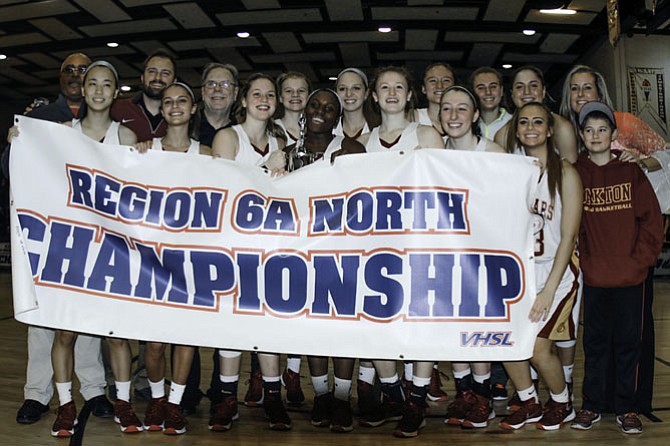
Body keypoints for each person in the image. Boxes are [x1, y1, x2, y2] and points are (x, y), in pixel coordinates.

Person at [4, 53, 115, 426]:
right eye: (70, 70)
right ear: (63, 78)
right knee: (43, 319)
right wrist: (14, 143)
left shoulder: (109, 127)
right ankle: (37, 394)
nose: (77, 75)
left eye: (84, 70)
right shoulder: (38, 118)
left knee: (86, 317)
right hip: (49, 232)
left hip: (92, 235)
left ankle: (94, 388)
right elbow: (9, 168)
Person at [559, 65, 668, 414]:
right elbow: (575, 226)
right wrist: (586, 262)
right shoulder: (576, 170)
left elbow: (651, 221)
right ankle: (593, 405)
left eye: (602, 129)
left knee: (629, 343)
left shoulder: (630, 169)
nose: (595, 134)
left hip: (631, 275)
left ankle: (628, 408)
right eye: (589, 130)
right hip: (595, 275)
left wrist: (641, 262)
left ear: (612, 133)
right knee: (594, 343)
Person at [47, 60, 141, 437]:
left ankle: (123, 401)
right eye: (92, 84)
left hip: (113, 248)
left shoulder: (127, 138)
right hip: (71, 245)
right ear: (83, 90)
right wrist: (19, 141)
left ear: (115, 92)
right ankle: (66, 404)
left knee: (116, 334)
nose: (99, 90)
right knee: (65, 333)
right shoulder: (61, 133)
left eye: (106, 85)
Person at [357, 66, 443, 438]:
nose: (391, 92)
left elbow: (449, 189)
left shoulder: (426, 134)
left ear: (411, 95)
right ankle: (393, 391)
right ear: (374, 96)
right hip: (377, 250)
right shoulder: (362, 144)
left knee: (422, 327)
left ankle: (417, 401)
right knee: (377, 326)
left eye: (399, 87)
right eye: (384, 87)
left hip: (422, 245)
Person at [281, 88, 365, 433]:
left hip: (342, 251)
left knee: (342, 329)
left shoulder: (351, 150)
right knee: (312, 329)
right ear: (305, 111)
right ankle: (321, 396)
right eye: (315, 105)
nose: (321, 112)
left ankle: (342, 398)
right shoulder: (285, 154)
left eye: (330, 109)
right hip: (300, 252)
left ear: (338, 116)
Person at [210, 73, 291, 431]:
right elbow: (224, 188)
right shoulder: (228, 137)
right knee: (232, 325)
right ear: (243, 100)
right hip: (234, 244)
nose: (263, 98)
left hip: (272, 245)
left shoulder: (282, 138)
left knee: (269, 325)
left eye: (269, 94)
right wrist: (266, 167)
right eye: (256, 93)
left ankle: (273, 397)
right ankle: (227, 398)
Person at [498, 102, 582, 432]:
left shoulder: (567, 172)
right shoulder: (513, 173)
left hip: (556, 272)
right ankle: (529, 402)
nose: (530, 127)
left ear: (549, 130)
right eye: (523, 122)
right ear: (516, 130)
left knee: (537, 347)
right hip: (521, 271)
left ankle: (562, 404)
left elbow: (569, 236)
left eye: (538, 122)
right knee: (505, 339)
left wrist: (548, 290)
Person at [141, 82, 204, 436]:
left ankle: (176, 404)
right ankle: (156, 397)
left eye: (182, 100)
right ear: (162, 109)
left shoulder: (207, 153)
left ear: (193, 108)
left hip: (193, 257)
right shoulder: (145, 151)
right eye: (168, 102)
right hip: (153, 256)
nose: (175, 106)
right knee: (154, 340)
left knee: (184, 336)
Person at [494, 66, 578, 163]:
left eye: (533, 85)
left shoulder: (562, 127)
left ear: (543, 91)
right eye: (520, 87)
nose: (527, 92)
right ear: (512, 94)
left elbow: (571, 171)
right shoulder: (503, 135)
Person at [111, 49, 176, 142]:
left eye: (165, 73)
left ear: (174, 81)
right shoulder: (117, 109)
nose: (158, 77)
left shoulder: (180, 115)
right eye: (152, 71)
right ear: (142, 77)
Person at [192, 62, 239, 148]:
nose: (217, 89)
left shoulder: (243, 135)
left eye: (225, 84)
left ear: (235, 93)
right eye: (211, 84)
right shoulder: (187, 128)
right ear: (203, 92)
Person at [334, 67, 380, 139]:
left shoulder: (380, 128)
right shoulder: (328, 128)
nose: (349, 94)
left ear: (366, 93)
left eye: (356, 88)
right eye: (342, 89)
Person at [469, 66, 512, 141]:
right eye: (481, 88)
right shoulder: (466, 122)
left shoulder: (513, 122)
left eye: (493, 87)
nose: (488, 92)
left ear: (501, 91)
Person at [413, 63, 455, 135]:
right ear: (424, 89)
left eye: (446, 80)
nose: (439, 86)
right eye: (433, 81)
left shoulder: (464, 117)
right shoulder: (412, 117)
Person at [275, 71, 311, 146]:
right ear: (280, 97)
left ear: (309, 96)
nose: (295, 95)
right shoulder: (270, 129)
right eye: (288, 91)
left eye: (301, 90)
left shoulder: (320, 128)